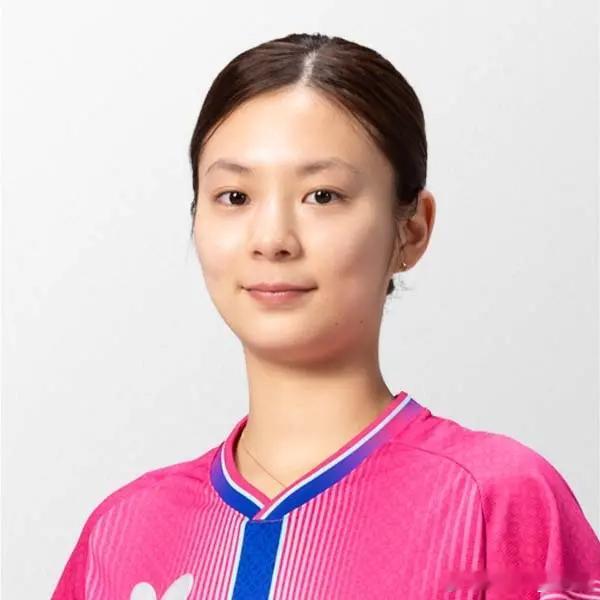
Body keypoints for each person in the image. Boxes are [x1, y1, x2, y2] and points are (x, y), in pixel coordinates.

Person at [51, 32, 600, 600]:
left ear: (412, 229)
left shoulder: (494, 502)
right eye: (235, 197)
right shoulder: (122, 532)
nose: (272, 239)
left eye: (322, 196)